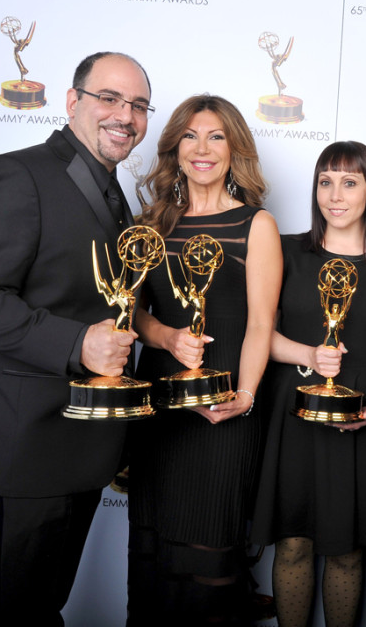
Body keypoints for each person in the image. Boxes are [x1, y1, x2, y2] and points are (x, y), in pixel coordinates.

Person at [0, 51, 153, 626]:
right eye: (109, 98)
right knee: (20, 611)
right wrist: (77, 343)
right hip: (25, 443)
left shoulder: (113, 192)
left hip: (81, 445)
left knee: (42, 607)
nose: (125, 115)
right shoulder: (18, 173)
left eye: (137, 105)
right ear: (72, 102)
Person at [126, 94, 282, 625]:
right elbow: (134, 314)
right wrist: (168, 337)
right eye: (191, 135)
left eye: (216, 136)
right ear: (175, 147)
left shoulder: (256, 225)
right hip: (160, 412)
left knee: (211, 559)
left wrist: (246, 396)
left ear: (234, 147)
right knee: (155, 560)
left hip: (227, 414)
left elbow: (262, 324)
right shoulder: (152, 223)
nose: (202, 148)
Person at [251, 141, 366, 627]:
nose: (335, 195)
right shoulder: (286, 251)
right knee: (293, 544)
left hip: (363, 420)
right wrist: (308, 354)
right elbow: (256, 335)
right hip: (293, 415)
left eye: (350, 182)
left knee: (347, 552)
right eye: (325, 181)